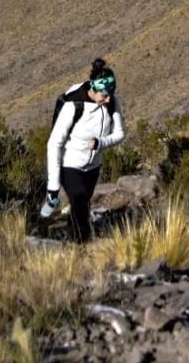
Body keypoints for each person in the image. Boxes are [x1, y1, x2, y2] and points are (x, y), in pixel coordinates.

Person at [40, 58, 126, 242]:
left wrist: (100, 143)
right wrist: (53, 187)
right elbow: (54, 143)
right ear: (93, 90)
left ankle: (69, 244)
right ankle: (83, 245)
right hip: (69, 164)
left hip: (93, 166)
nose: (108, 99)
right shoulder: (74, 106)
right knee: (79, 199)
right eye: (104, 95)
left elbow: (120, 134)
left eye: (111, 94)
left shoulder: (112, 103)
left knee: (81, 205)